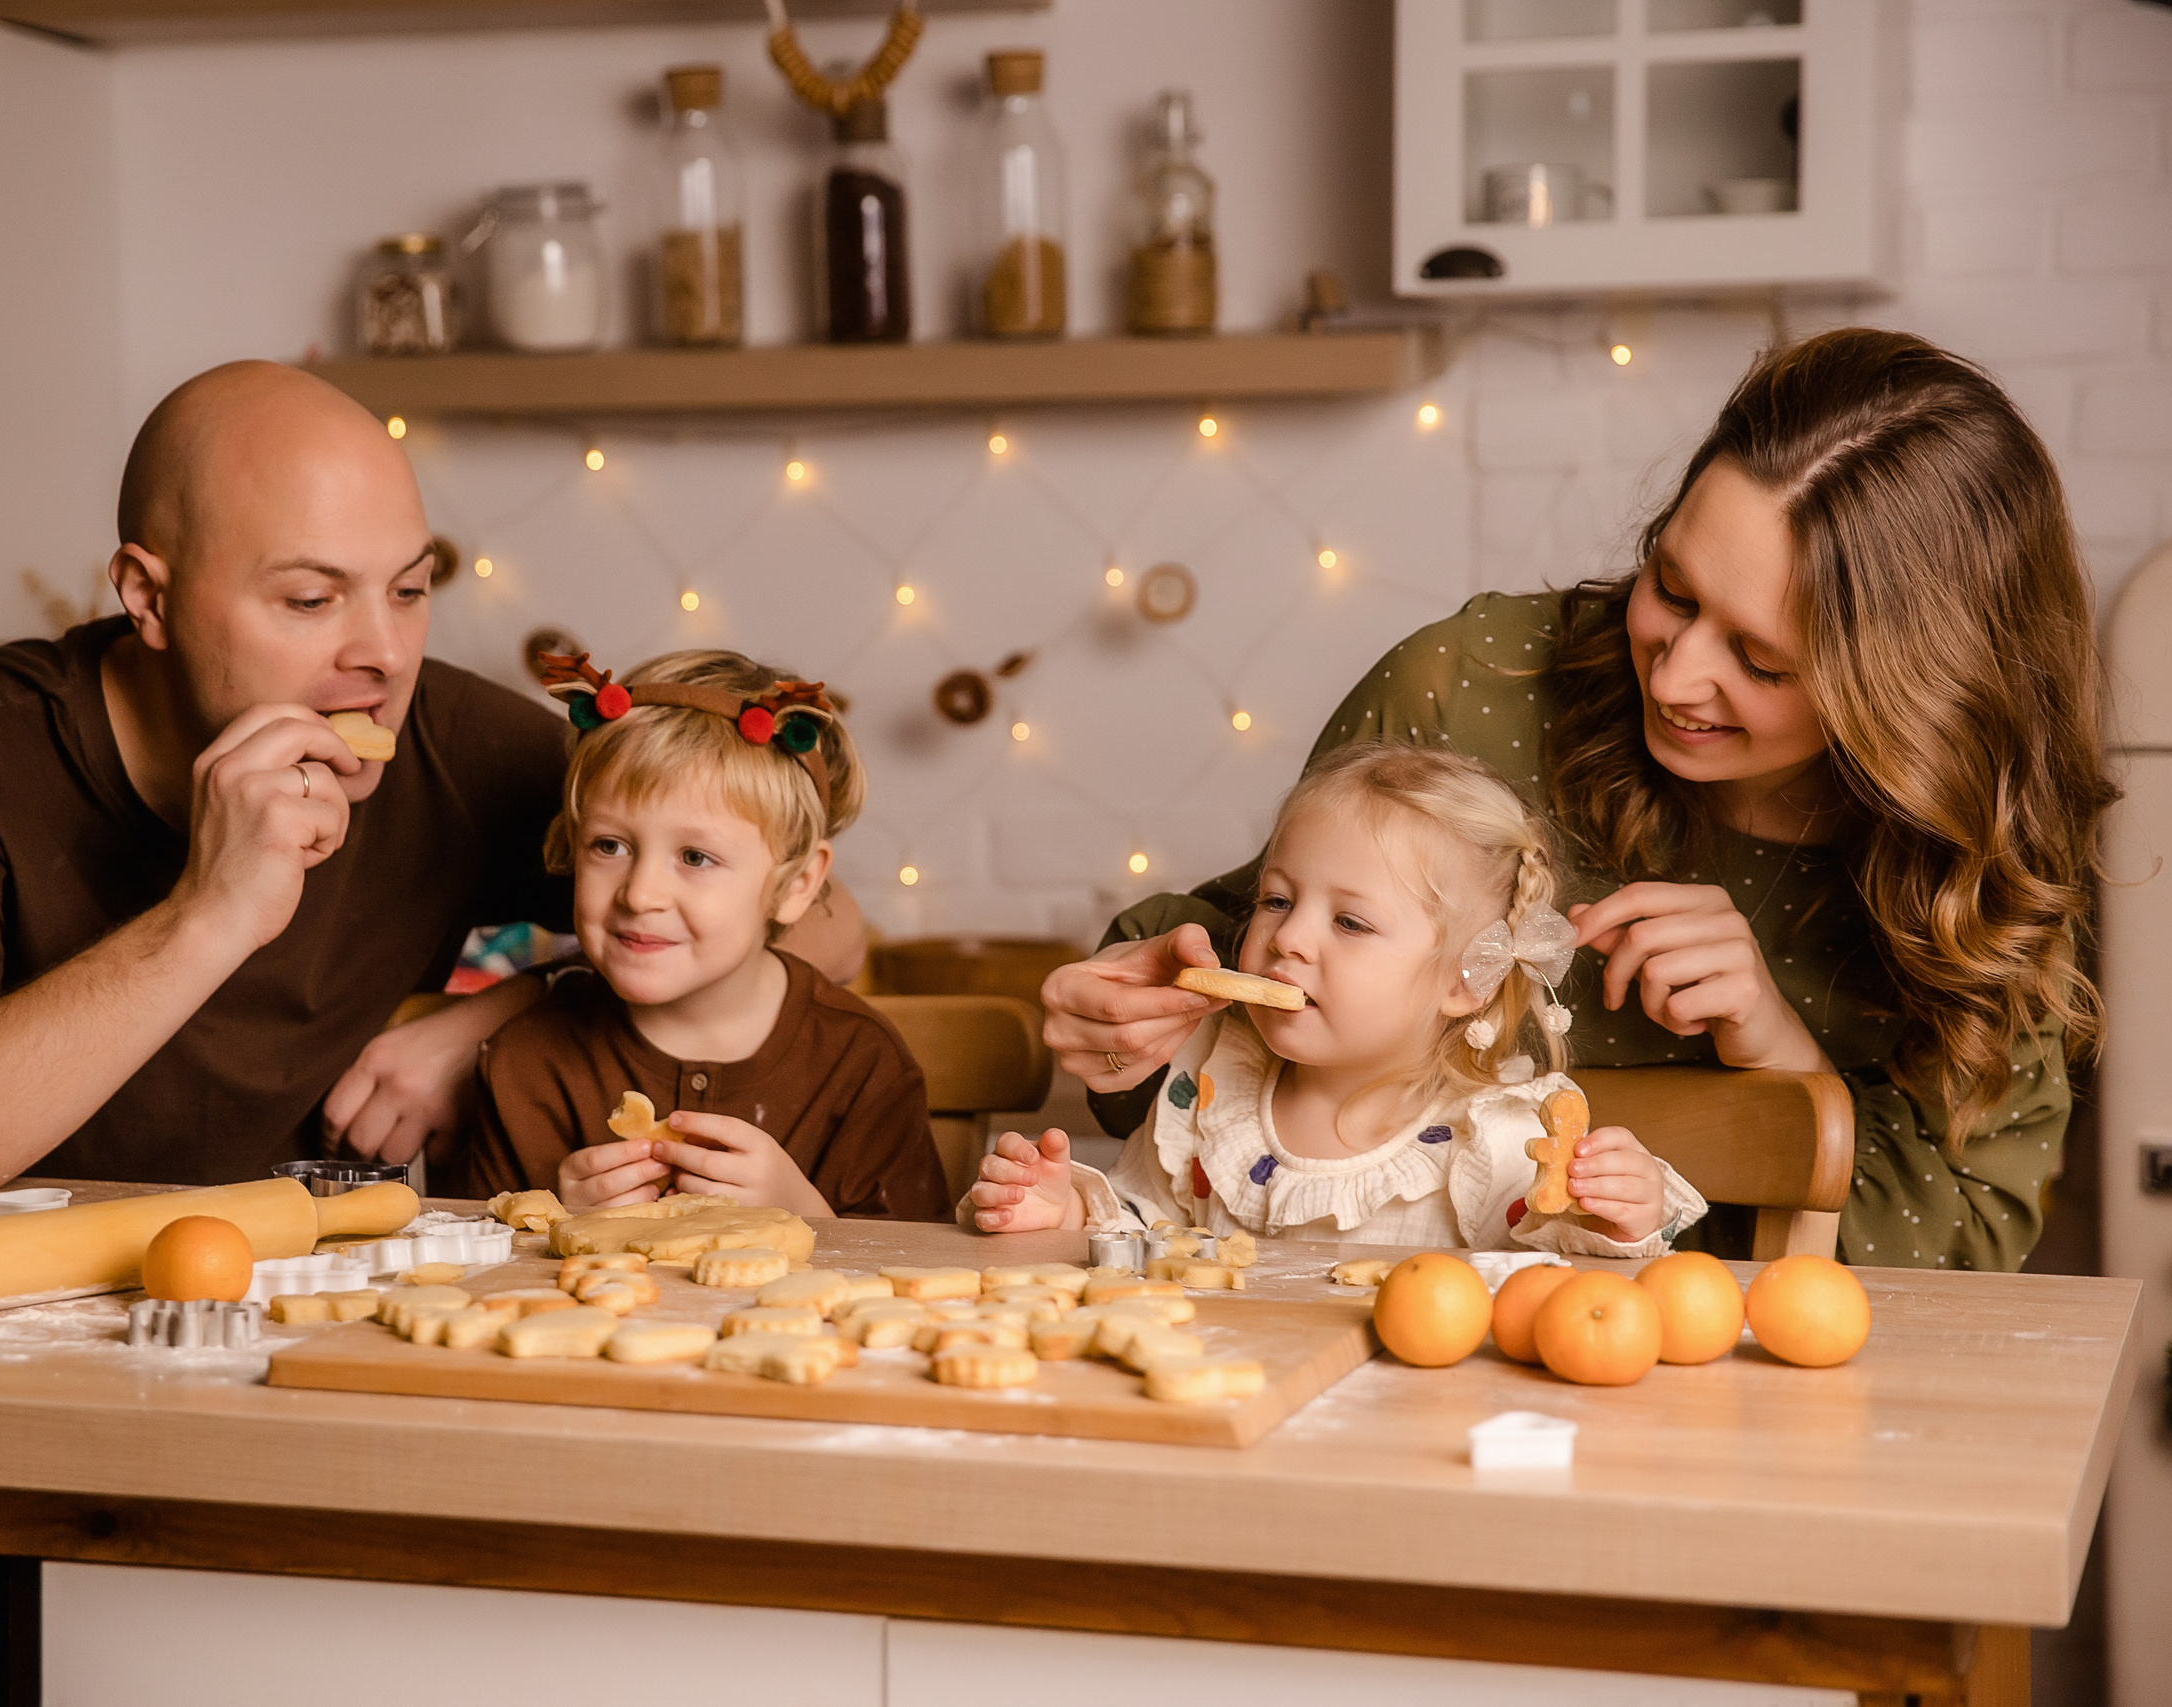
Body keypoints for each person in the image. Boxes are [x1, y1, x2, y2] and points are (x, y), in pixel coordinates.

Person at [1038, 329, 2110, 1272]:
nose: (1677, 676)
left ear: (1914, 699)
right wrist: (1132, 1011)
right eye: (1672, 590)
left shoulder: (1967, 846)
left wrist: (1776, 1056)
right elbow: (1231, 1008)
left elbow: (1962, 1239)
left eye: (1760, 661)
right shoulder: (1475, 686)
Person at [0, 363, 861, 1226]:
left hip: (273, 1330)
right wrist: (210, 914)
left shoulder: (445, 741)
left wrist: (497, 1022)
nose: (382, 654)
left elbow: (821, 932)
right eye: (308, 599)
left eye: (409, 590)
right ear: (147, 596)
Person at [967, 743, 1706, 1255]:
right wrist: (1066, 1210)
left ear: (1466, 979)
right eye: (1277, 899)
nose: (1289, 939)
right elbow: (1145, 1224)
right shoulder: (1211, 1086)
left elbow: (1567, 1270)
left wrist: (1614, 1214)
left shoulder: (1497, 1135)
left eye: (1349, 921)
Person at [456, 649, 946, 1221]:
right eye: (609, 845)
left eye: (695, 856)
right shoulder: (527, 1061)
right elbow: (475, 1277)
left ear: (798, 882)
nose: (640, 894)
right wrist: (546, 1222)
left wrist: (806, 1216)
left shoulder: (861, 1064)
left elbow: (920, 1279)